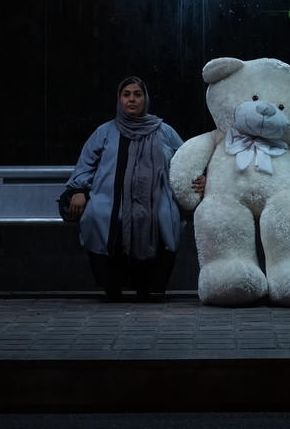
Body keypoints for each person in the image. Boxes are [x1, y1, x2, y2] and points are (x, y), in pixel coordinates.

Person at [65, 76, 204, 301]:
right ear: (119, 99)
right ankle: (112, 288)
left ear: (145, 99)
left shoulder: (164, 131)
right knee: (103, 217)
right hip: (110, 199)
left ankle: (147, 289)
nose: (132, 99)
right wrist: (78, 191)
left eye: (137, 94)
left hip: (155, 199)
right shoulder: (105, 132)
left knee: (158, 218)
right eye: (126, 94)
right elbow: (85, 165)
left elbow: (187, 162)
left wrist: (201, 178)